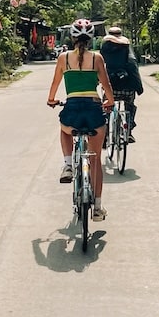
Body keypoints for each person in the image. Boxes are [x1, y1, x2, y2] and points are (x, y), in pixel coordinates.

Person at [46, 18, 115, 221]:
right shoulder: (97, 58)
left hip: (73, 108)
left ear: (72, 37)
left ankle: (68, 164)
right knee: (95, 161)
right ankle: (98, 208)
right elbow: (106, 83)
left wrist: (51, 99)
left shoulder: (64, 58)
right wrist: (109, 101)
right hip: (94, 109)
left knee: (64, 128)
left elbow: (55, 83)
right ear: (91, 38)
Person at [100, 25, 143, 140]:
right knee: (129, 105)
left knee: (105, 106)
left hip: (111, 88)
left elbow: (100, 66)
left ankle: (104, 135)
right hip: (128, 88)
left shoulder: (105, 47)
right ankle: (128, 130)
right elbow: (134, 68)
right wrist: (139, 88)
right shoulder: (127, 48)